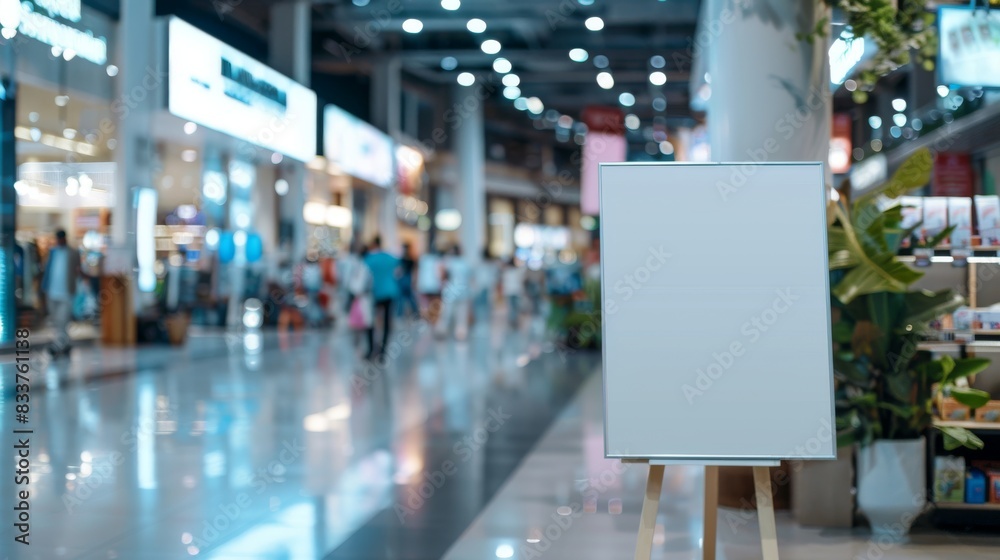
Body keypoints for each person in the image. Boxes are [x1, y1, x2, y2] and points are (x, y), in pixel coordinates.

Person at [42, 230, 79, 357]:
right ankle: (66, 344)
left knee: (63, 320)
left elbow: (78, 270)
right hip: (52, 292)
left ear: (64, 239)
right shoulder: (53, 252)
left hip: (66, 293)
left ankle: (56, 347)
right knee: (56, 321)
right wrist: (44, 288)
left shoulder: (73, 252)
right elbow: (48, 270)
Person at [363, 236, 400, 357]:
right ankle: (383, 350)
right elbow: (399, 269)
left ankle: (371, 349)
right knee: (386, 322)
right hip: (389, 292)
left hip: (373, 293)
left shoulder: (369, 259)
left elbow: (363, 276)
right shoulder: (390, 257)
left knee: (370, 321)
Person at [436, 245, 473, 340]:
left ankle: (442, 331)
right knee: (462, 315)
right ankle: (461, 334)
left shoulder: (448, 263)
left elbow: (443, 276)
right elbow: (470, 278)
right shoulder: (466, 263)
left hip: (450, 291)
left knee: (446, 313)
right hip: (463, 291)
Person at [416, 246, 444, 325]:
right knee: (434, 305)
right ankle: (433, 322)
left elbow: (417, 272)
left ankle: (425, 322)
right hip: (435, 286)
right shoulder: (438, 259)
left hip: (423, 286)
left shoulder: (422, 259)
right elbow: (440, 274)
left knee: (424, 305)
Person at [474, 248, 499, 324]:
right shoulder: (491, 265)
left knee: (482, 307)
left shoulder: (480, 265)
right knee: (484, 307)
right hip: (484, 288)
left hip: (483, 288)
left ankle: (482, 321)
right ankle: (483, 321)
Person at [501, 258, 525, 328]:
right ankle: (514, 321)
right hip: (516, 291)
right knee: (515, 307)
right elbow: (521, 281)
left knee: (511, 307)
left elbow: (504, 282)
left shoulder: (506, 272)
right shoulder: (517, 271)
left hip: (509, 292)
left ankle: (512, 321)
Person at [397, 242, 419, 319]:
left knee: (405, 298)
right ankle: (413, 313)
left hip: (406, 279)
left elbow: (412, 271)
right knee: (404, 298)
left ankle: (401, 315)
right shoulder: (407, 259)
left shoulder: (407, 259)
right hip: (406, 279)